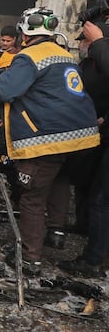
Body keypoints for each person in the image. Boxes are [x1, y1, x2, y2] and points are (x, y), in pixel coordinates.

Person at [0, 7, 100, 275]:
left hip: (47, 137)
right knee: (59, 180)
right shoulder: (64, 55)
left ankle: (30, 259)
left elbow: (5, 90)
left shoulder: (29, 56)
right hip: (81, 137)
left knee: (32, 196)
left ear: (23, 34)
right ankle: (56, 233)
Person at [58, 20, 109, 277]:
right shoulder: (87, 64)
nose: (81, 45)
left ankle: (93, 260)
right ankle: (85, 226)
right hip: (95, 131)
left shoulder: (102, 57)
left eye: (85, 40)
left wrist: (100, 41)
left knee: (102, 199)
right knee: (87, 183)